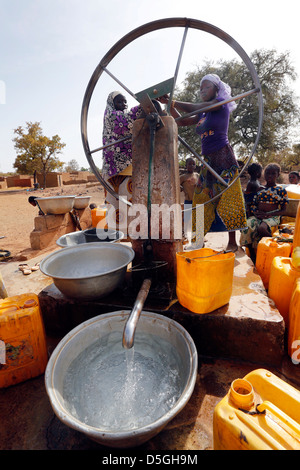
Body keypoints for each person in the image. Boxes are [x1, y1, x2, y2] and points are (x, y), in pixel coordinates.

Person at [159, 73, 247, 251]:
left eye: (207, 87)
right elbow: (182, 121)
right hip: (207, 161)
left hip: (223, 157)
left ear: (216, 89)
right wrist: (169, 105)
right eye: (201, 88)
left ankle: (232, 243)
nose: (202, 91)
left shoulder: (219, 105)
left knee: (229, 197)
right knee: (200, 199)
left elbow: (196, 107)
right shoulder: (204, 114)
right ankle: (198, 240)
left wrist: (173, 102)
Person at [102, 91, 141, 234]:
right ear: (112, 103)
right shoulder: (112, 116)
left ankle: (129, 237)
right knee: (113, 205)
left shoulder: (120, 115)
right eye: (119, 102)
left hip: (127, 168)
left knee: (128, 204)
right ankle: (116, 238)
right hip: (114, 170)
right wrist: (142, 106)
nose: (124, 105)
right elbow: (125, 122)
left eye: (125, 102)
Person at [240, 163, 288, 263]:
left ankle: (275, 245)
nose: (269, 176)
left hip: (273, 216)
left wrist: (270, 215)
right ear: (263, 174)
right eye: (267, 173)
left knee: (262, 228)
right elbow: (254, 204)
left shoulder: (281, 190)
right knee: (246, 226)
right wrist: (256, 212)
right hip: (260, 216)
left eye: (273, 173)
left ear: (277, 175)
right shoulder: (260, 189)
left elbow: (284, 210)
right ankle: (252, 255)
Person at [180, 157, 199, 240]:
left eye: (193, 164)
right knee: (187, 218)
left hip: (197, 200)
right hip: (188, 200)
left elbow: (201, 185)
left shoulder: (197, 175)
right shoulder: (183, 177)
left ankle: (199, 236)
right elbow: (177, 185)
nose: (191, 166)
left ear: (195, 166)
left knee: (198, 218)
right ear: (186, 166)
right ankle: (184, 234)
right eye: (189, 164)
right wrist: (182, 188)